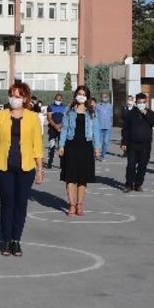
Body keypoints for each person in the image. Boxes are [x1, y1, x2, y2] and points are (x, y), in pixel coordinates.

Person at [0, 81, 44, 256]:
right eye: (11, 95)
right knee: (7, 203)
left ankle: (16, 240)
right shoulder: (0, 116)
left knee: (21, 204)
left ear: (25, 98)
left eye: (17, 96)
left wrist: (40, 170)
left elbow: (37, 145)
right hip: (4, 167)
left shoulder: (33, 117)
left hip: (26, 168)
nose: (14, 99)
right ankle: (6, 240)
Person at [58, 85, 101, 216]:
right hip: (71, 146)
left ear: (87, 97)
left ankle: (80, 204)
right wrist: (61, 145)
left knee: (83, 179)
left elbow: (96, 131)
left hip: (86, 147)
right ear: (75, 95)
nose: (81, 96)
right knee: (70, 178)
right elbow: (64, 128)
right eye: (79, 93)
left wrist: (97, 147)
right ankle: (71, 204)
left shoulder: (92, 112)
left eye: (84, 94)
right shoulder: (69, 110)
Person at [120, 92, 154, 192]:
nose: (141, 104)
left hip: (145, 145)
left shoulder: (150, 113)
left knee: (142, 165)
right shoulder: (130, 114)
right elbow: (125, 129)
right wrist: (124, 142)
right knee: (131, 165)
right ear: (136, 102)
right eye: (139, 102)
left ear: (146, 103)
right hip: (132, 144)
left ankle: (138, 184)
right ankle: (129, 184)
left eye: (143, 102)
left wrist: (147, 114)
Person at [45, 93, 66, 169]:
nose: (58, 100)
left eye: (60, 99)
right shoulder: (50, 107)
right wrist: (55, 125)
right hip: (52, 130)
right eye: (57, 99)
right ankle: (50, 163)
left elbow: (65, 118)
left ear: (62, 99)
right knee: (52, 146)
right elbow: (49, 118)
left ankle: (62, 164)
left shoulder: (64, 107)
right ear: (55, 99)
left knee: (61, 147)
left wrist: (60, 125)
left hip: (62, 129)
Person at [94, 91, 113, 161]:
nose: (105, 98)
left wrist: (111, 123)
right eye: (103, 97)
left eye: (106, 97)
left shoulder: (110, 106)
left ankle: (103, 155)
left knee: (105, 142)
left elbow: (111, 116)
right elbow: (95, 115)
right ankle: (97, 154)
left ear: (108, 98)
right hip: (99, 127)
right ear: (101, 98)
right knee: (97, 142)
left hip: (107, 127)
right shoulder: (98, 106)